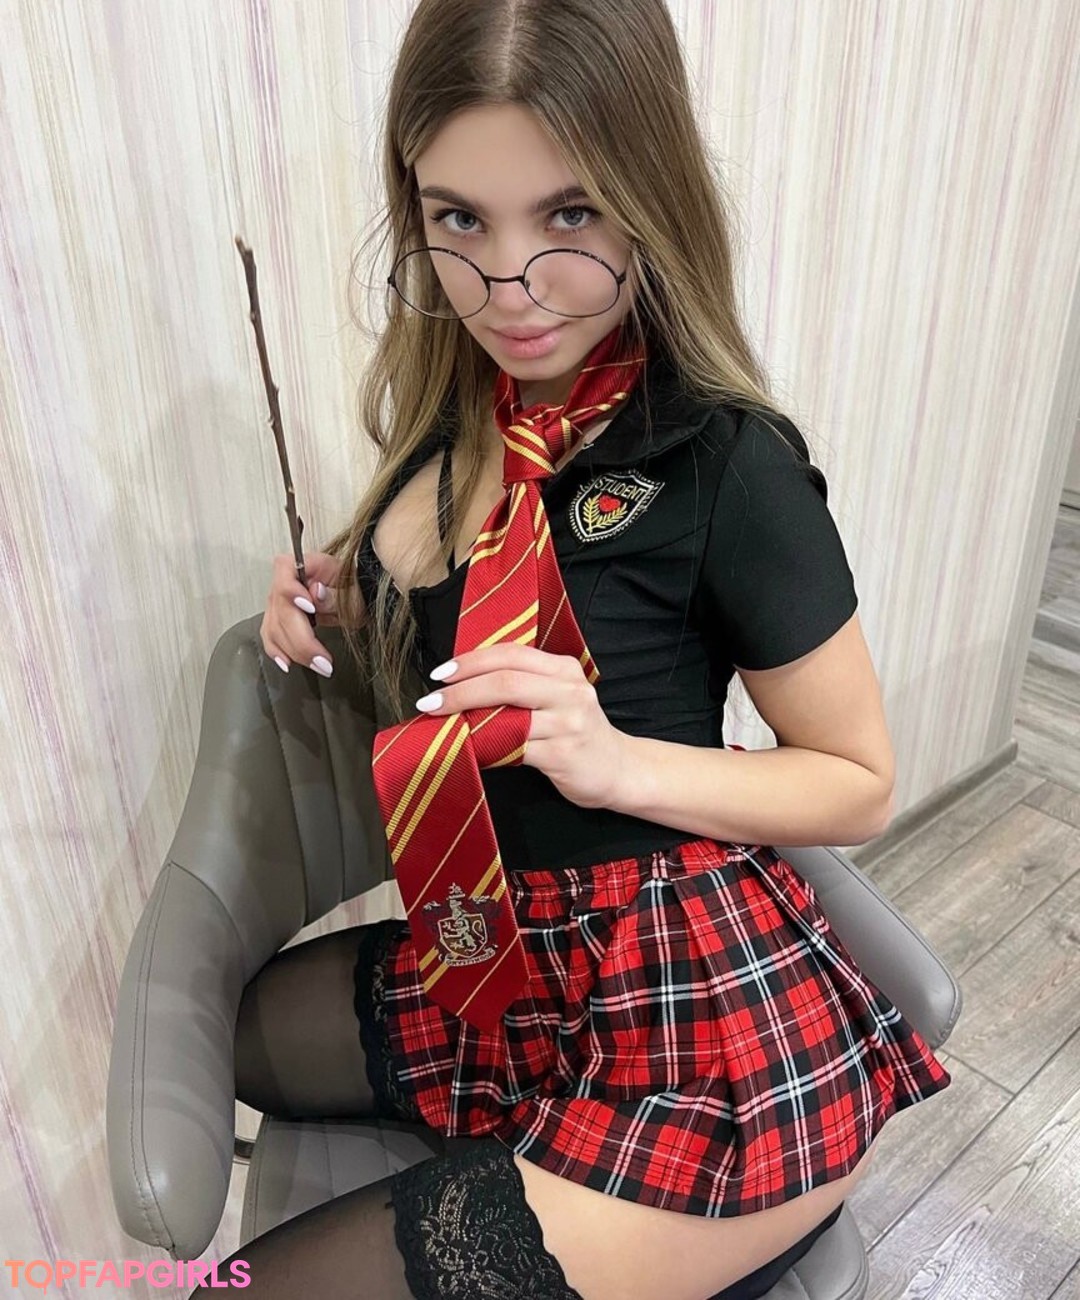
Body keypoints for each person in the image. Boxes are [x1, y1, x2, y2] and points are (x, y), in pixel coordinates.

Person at [198, 2, 951, 1296]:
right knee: (246, 1036)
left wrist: (618, 760)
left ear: (649, 200)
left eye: (569, 215)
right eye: (459, 220)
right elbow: (453, 638)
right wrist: (333, 601)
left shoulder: (726, 463)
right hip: (507, 947)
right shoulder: (451, 438)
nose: (511, 288)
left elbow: (859, 782)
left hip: (696, 1007)